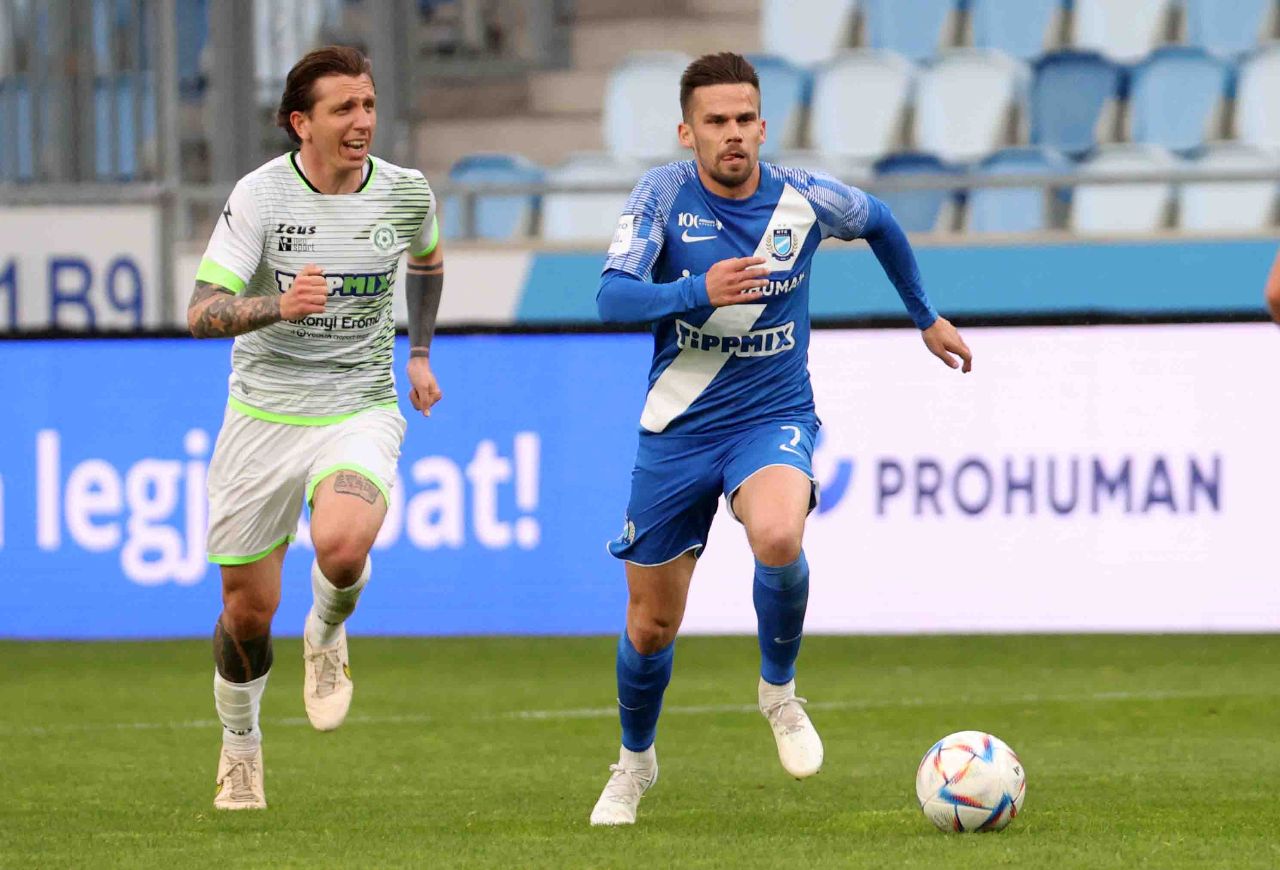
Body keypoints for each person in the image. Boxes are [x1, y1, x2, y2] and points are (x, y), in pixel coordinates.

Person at [588, 52, 972, 826]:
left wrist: (924, 316)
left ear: (762, 126)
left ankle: (779, 693)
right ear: (688, 133)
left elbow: (882, 222)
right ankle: (634, 764)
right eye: (715, 122)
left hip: (772, 415)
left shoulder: (805, 197)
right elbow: (611, 298)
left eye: (743, 120)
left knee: (777, 533)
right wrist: (696, 290)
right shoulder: (661, 194)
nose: (731, 134)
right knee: (651, 626)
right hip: (679, 426)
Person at [186, 45, 445, 810]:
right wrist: (279, 305)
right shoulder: (261, 197)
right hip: (262, 415)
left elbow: (427, 260)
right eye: (343, 108)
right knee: (246, 613)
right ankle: (241, 747)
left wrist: (419, 353)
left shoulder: (405, 193)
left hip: (358, 404)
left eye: (368, 105)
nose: (362, 121)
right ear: (302, 123)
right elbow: (201, 312)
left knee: (342, 543)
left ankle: (327, 632)